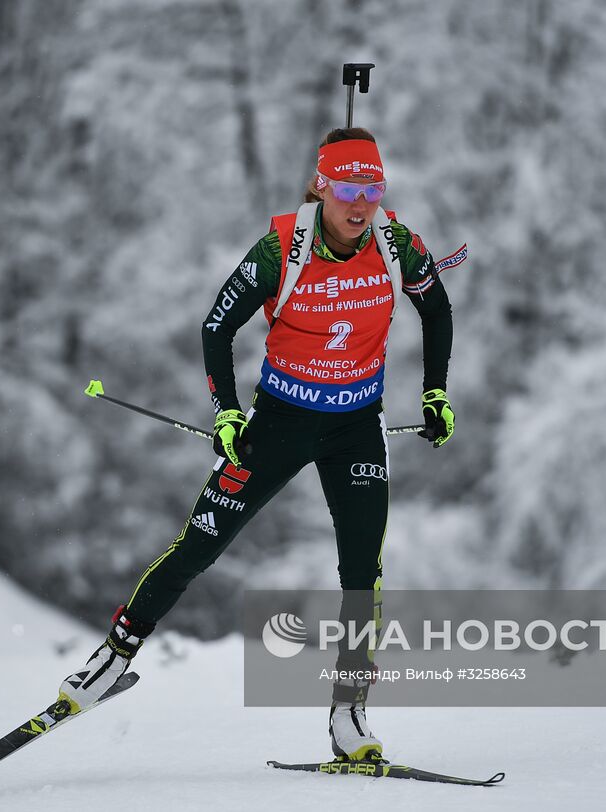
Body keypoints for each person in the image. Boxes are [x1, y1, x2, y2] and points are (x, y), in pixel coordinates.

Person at [58, 128, 455, 762]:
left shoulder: (397, 244)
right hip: (277, 423)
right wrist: (227, 415)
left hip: (356, 426)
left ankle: (349, 713)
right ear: (322, 187)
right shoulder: (280, 250)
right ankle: (112, 657)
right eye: (350, 188)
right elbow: (217, 328)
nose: (362, 204)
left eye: (373, 189)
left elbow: (437, 311)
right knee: (200, 544)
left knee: (363, 573)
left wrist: (434, 394)